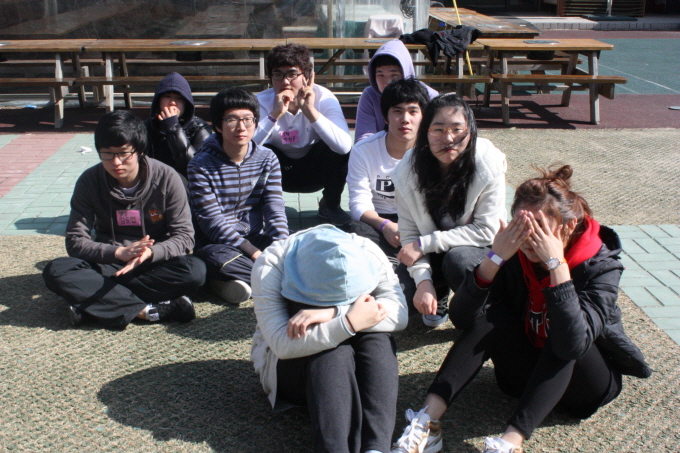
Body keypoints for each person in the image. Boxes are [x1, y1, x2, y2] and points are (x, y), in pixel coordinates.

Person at [390, 165, 652, 453]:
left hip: (584, 385)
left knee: (564, 330)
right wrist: (494, 258)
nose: (528, 237)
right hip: (522, 377)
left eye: (539, 228)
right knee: (491, 316)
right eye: (521, 225)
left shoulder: (601, 266)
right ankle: (427, 423)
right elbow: (463, 318)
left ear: (567, 227)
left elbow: (573, 343)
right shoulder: (517, 252)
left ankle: (509, 444)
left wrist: (557, 266)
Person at [250, 225, 408, 453]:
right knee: (333, 352)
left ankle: (376, 448)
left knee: (378, 339)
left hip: (354, 361)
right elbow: (281, 345)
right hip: (292, 367)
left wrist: (336, 313)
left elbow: (399, 315)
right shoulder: (270, 264)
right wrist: (347, 323)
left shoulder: (368, 251)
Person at [42, 111, 206, 329]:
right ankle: (146, 311)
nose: (116, 162)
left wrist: (151, 253)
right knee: (57, 269)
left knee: (195, 271)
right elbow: (75, 240)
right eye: (107, 154)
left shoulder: (167, 178)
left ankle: (95, 304)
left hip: (153, 263)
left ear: (139, 150)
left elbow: (184, 237)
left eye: (124, 153)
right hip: (109, 262)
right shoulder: (89, 181)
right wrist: (118, 252)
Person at [391, 93, 506, 327]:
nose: (449, 138)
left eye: (457, 129)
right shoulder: (406, 172)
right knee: (400, 296)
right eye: (438, 130)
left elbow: (486, 230)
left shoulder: (488, 163)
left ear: (470, 131)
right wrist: (423, 281)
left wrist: (423, 244)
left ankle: (483, 309)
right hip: (431, 249)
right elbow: (410, 234)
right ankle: (439, 289)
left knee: (458, 259)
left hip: (478, 249)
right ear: (425, 132)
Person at [188, 87, 288, 305]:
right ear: (218, 125)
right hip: (217, 243)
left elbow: (274, 206)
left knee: (299, 248)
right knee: (216, 259)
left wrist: (282, 246)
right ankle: (277, 277)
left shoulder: (267, 158)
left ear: (256, 122)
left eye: (247, 120)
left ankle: (232, 282)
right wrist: (254, 254)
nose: (241, 127)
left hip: (254, 236)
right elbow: (212, 222)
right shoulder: (200, 165)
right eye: (231, 120)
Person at [345, 77, 428, 302]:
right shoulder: (364, 150)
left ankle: (414, 276)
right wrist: (385, 226)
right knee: (354, 231)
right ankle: (387, 264)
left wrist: (412, 232)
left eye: (413, 111)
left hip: (419, 222)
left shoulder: (431, 151)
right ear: (385, 116)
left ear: (424, 116)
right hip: (379, 220)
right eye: (397, 111)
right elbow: (358, 204)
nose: (405, 119)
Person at [254, 43, 353, 225]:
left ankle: (330, 206)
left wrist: (309, 111)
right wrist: (275, 114)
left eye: (292, 74)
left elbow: (344, 147)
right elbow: (244, 148)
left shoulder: (324, 97)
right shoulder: (260, 102)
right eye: (278, 75)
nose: (285, 82)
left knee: (339, 147)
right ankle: (263, 209)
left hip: (315, 170)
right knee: (258, 151)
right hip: (279, 171)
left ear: (307, 76)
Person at [354, 40, 438, 144]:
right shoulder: (369, 95)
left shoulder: (430, 96)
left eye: (394, 75)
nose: (387, 82)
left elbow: (436, 136)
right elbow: (364, 137)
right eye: (380, 75)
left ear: (406, 73)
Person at [144, 72, 211, 179]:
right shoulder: (146, 127)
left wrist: (173, 128)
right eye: (167, 96)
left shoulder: (199, 127)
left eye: (179, 98)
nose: (172, 102)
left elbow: (198, 169)